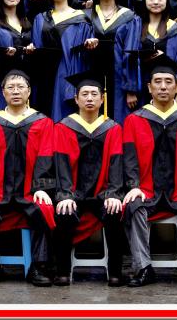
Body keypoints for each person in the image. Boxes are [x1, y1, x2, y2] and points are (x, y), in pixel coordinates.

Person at [121, 55, 177, 289]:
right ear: (149, 87)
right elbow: (129, 159)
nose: (163, 86)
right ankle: (143, 268)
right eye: (158, 82)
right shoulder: (134, 120)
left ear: (176, 86)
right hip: (147, 190)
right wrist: (133, 186)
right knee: (132, 205)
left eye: (169, 81)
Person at [0, 69, 56, 286]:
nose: (16, 91)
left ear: (29, 92)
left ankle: (38, 266)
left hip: (30, 190)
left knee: (43, 208)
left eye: (20, 87)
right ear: (3, 93)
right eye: (10, 88)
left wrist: (41, 187)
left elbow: (46, 156)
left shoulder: (43, 123)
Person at [51, 70, 126, 287]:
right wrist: (65, 195)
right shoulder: (64, 127)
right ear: (76, 99)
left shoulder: (113, 129)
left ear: (102, 99)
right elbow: (61, 164)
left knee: (115, 212)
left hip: (102, 194)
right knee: (64, 212)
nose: (90, 98)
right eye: (84, 94)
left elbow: (116, 163)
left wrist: (113, 194)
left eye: (94, 94)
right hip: (74, 193)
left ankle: (115, 273)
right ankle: (62, 272)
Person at [119, 0, 177, 116]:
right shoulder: (135, 26)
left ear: (167, 0)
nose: (155, 2)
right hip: (141, 88)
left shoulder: (176, 30)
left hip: (166, 89)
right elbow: (126, 59)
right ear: (144, 0)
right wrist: (130, 90)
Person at [31, 0, 94, 120]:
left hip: (67, 75)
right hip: (44, 77)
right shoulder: (40, 18)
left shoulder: (81, 19)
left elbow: (83, 60)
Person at [83, 0, 138, 123]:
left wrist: (130, 89)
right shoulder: (85, 16)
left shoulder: (129, 17)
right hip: (91, 76)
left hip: (118, 80)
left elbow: (131, 53)